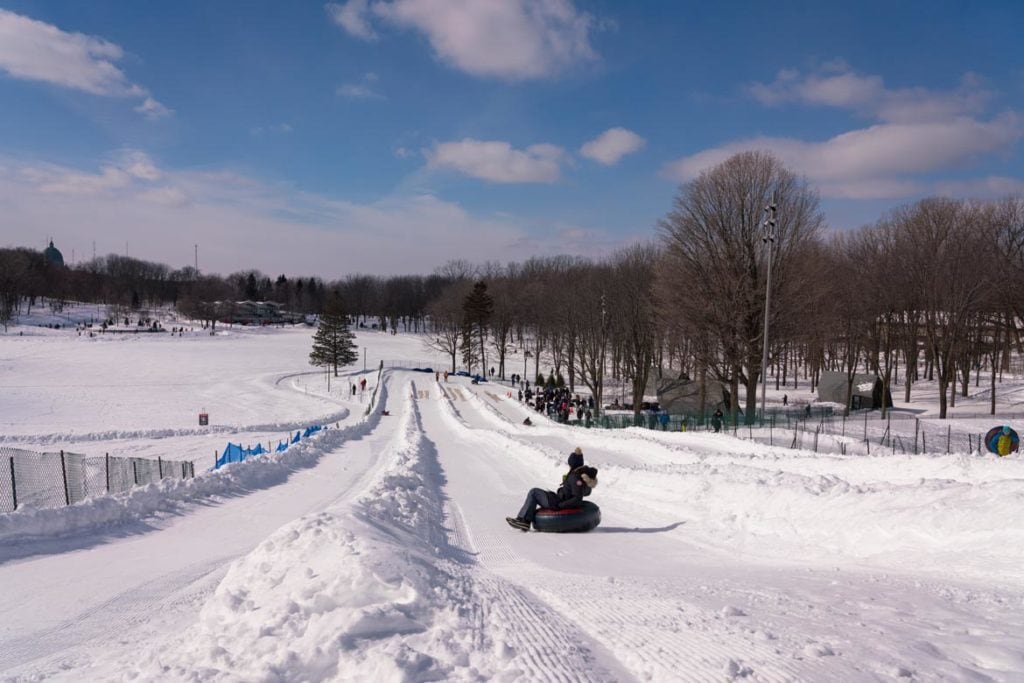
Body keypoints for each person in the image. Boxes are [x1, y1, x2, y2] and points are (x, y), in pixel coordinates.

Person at [507, 447, 597, 530]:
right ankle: (524, 519)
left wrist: (560, 506)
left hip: (557, 502)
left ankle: (523, 521)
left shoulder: (575, 477)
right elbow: (585, 492)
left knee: (534, 492)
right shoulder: (581, 475)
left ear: (572, 463)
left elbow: (577, 498)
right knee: (537, 493)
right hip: (559, 499)